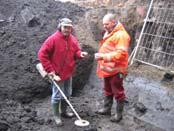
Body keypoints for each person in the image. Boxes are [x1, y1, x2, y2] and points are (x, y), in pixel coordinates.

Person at [38, 18, 88, 126]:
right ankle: (57, 116)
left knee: (67, 93)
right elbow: (42, 54)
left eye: (69, 28)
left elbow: (76, 51)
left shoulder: (73, 39)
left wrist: (80, 54)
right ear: (60, 27)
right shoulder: (52, 39)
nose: (67, 29)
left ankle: (64, 112)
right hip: (56, 74)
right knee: (56, 96)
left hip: (68, 73)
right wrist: (51, 71)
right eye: (65, 27)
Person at [95, 13, 130, 123]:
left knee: (118, 92)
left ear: (114, 22)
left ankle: (118, 115)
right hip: (108, 69)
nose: (104, 26)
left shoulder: (121, 35)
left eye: (106, 24)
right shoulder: (110, 32)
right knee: (108, 90)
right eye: (103, 24)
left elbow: (121, 54)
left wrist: (103, 56)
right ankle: (106, 109)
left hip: (116, 70)